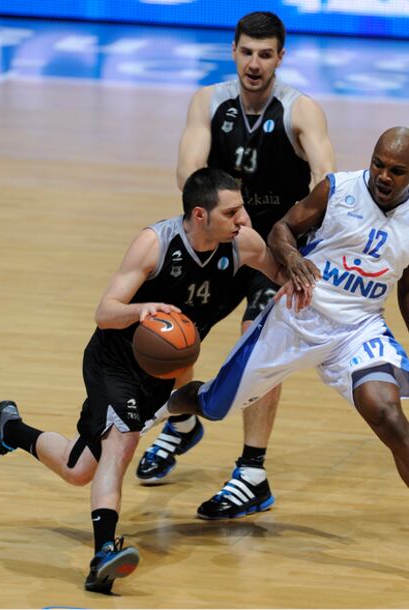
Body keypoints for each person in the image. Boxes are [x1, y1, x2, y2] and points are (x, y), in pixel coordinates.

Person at [0, 168, 309, 595]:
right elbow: (105, 312)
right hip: (114, 361)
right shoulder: (155, 243)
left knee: (80, 469)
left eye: (243, 210)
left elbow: (285, 275)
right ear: (200, 215)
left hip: (158, 374)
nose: (243, 220)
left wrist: (295, 285)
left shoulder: (241, 244)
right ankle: (104, 553)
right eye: (232, 211)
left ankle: (6, 427)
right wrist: (142, 310)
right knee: (121, 444)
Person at [136, 10, 336, 520]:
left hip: (277, 246)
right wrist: (225, 223)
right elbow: (188, 174)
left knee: (257, 342)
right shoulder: (208, 100)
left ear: (280, 58)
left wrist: (298, 242)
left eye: (265, 54)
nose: (254, 63)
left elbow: (326, 180)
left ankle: (252, 472)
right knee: (174, 325)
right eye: (246, 51)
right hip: (227, 238)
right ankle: (182, 422)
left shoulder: (301, 110)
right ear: (233, 50)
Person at [146, 127, 409, 495]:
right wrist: (292, 257)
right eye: (378, 164)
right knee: (213, 403)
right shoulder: (338, 189)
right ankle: (164, 410)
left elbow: (407, 291)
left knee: (388, 416)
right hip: (298, 315)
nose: (383, 175)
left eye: (396, 171)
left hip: (357, 329)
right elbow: (281, 228)